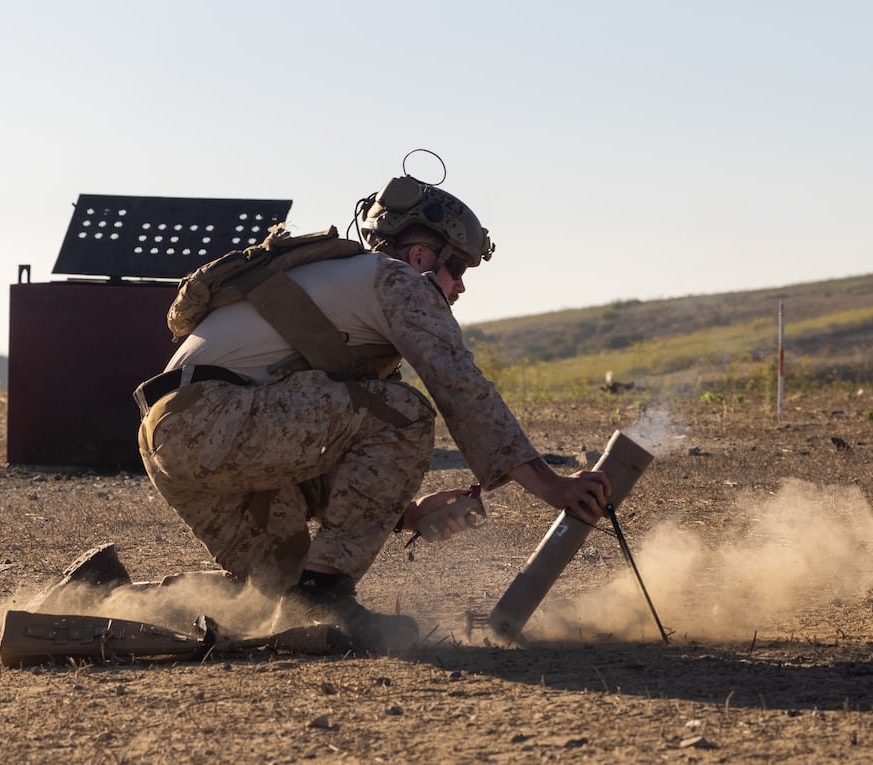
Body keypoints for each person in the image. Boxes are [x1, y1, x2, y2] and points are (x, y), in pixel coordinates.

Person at [131, 171, 612, 651]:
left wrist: (408, 514)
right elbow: (460, 386)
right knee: (405, 413)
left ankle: (122, 600)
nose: (461, 287)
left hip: (172, 439)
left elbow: (307, 440)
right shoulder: (397, 279)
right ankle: (325, 595)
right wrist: (551, 485)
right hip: (215, 417)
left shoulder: (335, 285)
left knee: (281, 594)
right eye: (458, 269)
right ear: (421, 256)